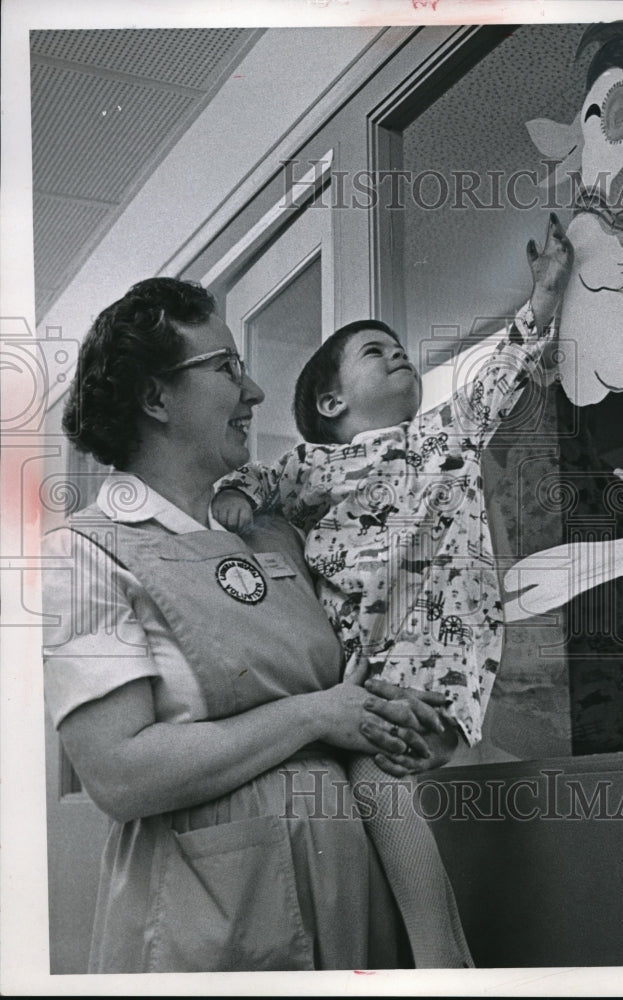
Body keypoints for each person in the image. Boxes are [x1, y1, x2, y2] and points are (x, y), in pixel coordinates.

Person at [42, 277, 457, 974]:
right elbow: (119, 774)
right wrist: (311, 716)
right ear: (155, 398)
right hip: (214, 931)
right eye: (227, 369)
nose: (256, 392)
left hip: (354, 902)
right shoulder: (88, 552)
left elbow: (350, 691)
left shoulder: (277, 537)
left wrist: (403, 720)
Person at [211, 214, 574, 965]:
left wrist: (541, 300)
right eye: (375, 354)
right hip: (365, 670)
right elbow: (258, 480)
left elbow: (499, 376)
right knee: (368, 779)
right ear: (333, 405)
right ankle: (438, 959)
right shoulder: (315, 464)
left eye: (399, 349)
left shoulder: (442, 436)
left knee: (377, 775)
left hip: (440, 664)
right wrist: (236, 497)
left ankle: (438, 960)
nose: (398, 356)